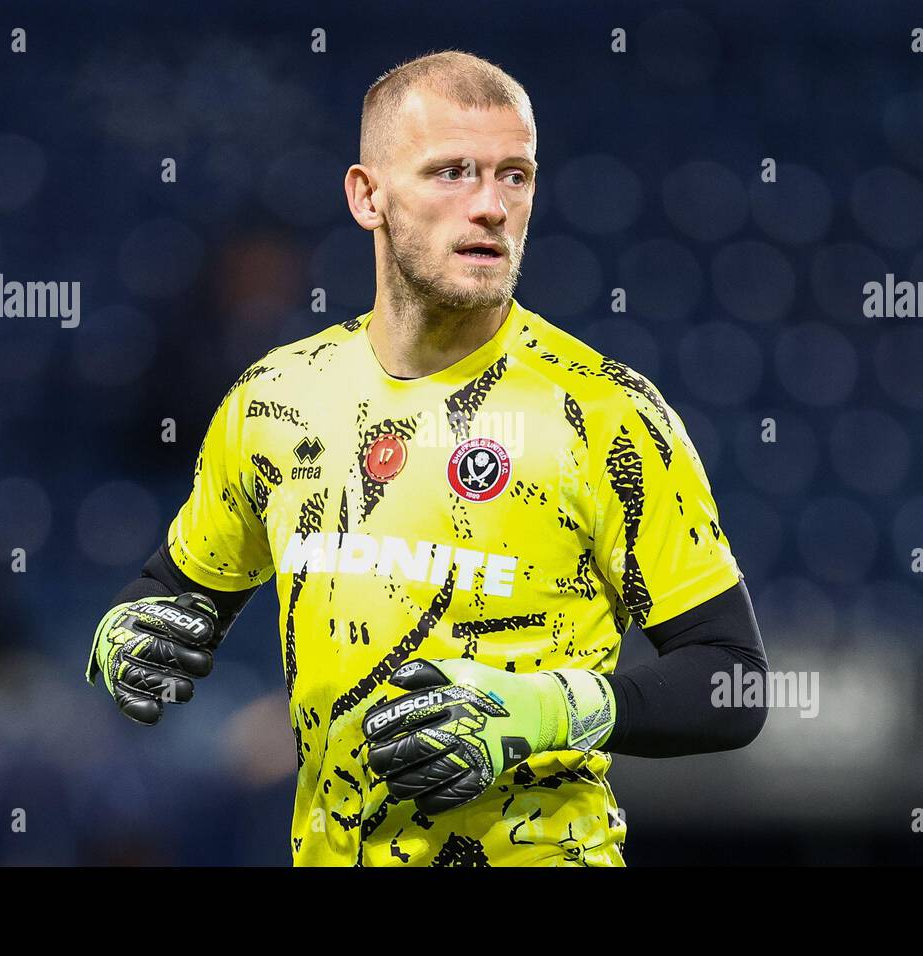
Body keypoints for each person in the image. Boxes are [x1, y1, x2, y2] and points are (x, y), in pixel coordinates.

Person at [86, 49, 768, 867]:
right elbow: (174, 591)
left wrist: (545, 709)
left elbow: (734, 681)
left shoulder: (603, 414)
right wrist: (120, 639)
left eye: (515, 176)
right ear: (366, 196)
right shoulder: (275, 400)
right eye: (453, 172)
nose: (490, 207)